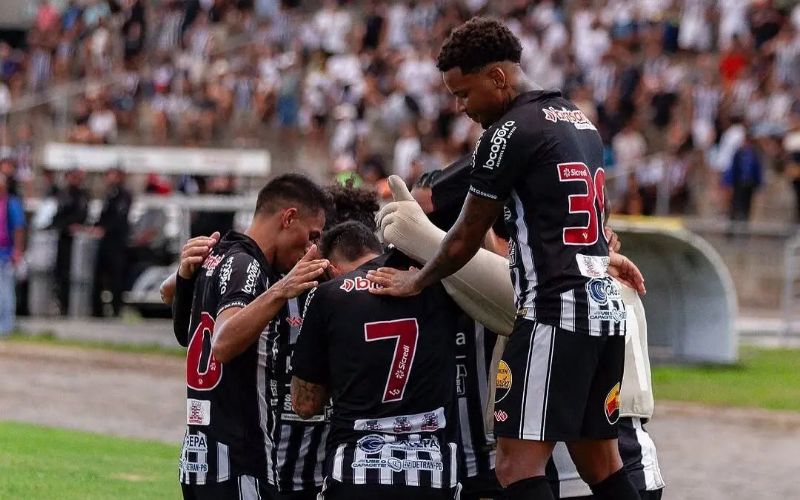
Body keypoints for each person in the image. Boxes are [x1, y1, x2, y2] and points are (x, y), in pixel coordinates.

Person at [367, 18, 644, 500]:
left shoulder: (507, 131)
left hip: (553, 314)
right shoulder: (579, 120)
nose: (462, 107)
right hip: (602, 311)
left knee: (514, 465)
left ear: (498, 78)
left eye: (464, 93)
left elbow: (463, 237)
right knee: (599, 460)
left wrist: (416, 281)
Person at [163, 183, 382, 500]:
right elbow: (213, 336)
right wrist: (183, 274)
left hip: (229, 458)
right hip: (251, 459)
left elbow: (182, 311)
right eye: (312, 237)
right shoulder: (262, 270)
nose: (311, 248)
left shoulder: (233, 257)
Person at [290, 221, 461, 500]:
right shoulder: (437, 284)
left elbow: (304, 404)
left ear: (332, 268)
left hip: (355, 472)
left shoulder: (330, 295)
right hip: (433, 473)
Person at [91, 167, 132, 317]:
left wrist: (104, 229)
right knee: (99, 277)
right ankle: (97, 311)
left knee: (116, 278)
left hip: (117, 243)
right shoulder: (108, 195)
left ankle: (116, 310)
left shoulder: (124, 195)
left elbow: (119, 218)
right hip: (105, 243)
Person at [50, 168, 89, 316]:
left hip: (76, 244)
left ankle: (71, 307)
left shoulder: (81, 196)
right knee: (61, 274)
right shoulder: (62, 195)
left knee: (74, 274)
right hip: (62, 240)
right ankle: (61, 304)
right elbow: (56, 217)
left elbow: (82, 216)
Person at [0, 172, 25, 336]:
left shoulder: (11, 203)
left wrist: (17, 251)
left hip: (5, 253)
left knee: (5, 291)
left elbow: (19, 228)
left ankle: (6, 326)